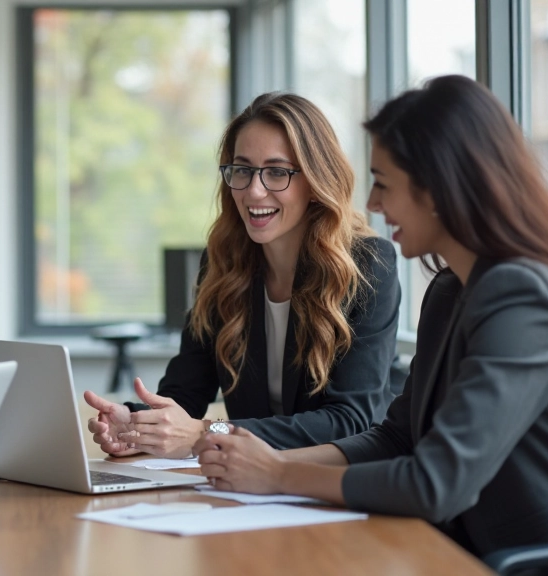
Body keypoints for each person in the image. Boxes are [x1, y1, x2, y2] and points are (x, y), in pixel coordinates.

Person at [195, 75, 548, 559]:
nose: (374, 204)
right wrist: (258, 460)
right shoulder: (449, 290)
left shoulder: (524, 296)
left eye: (383, 183)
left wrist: (277, 474)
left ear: (440, 188)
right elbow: (397, 436)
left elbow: (435, 483)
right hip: (452, 544)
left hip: (532, 561)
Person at [85, 92, 400, 458]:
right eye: (243, 169)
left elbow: (350, 420)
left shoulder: (367, 264)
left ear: (315, 182)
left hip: (343, 482)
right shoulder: (223, 263)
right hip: (250, 485)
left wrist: (207, 432)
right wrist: (134, 425)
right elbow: (186, 394)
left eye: (277, 172)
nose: (254, 190)